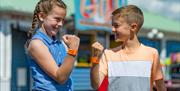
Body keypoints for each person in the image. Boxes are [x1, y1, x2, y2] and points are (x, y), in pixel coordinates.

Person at [90, 5, 166, 91]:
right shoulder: (108, 54)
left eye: (116, 25)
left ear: (133, 27)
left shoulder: (152, 53)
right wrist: (95, 58)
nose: (112, 29)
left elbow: (161, 87)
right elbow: (96, 85)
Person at [25, 0, 80, 90]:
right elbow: (60, 77)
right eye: (57, 19)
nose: (61, 24)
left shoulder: (59, 43)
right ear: (42, 16)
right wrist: (73, 50)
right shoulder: (37, 44)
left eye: (63, 20)